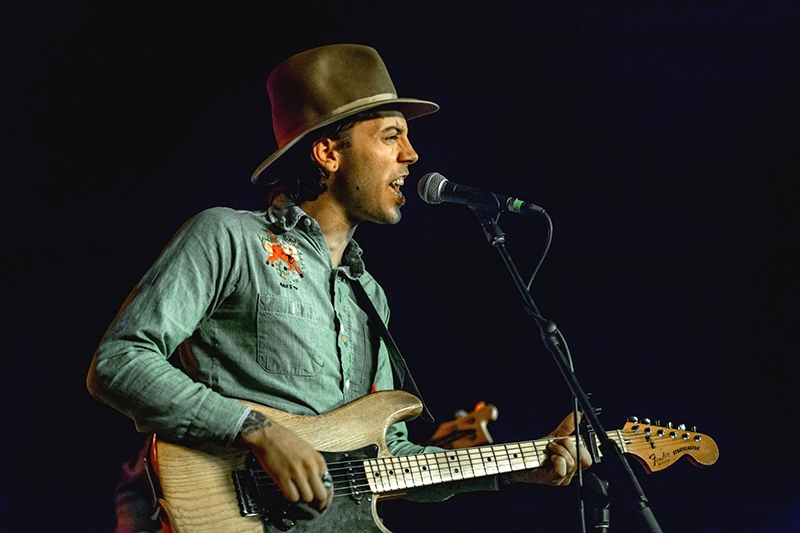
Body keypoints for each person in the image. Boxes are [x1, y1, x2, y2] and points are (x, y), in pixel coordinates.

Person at [87, 43, 591, 531]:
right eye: (392, 136)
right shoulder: (227, 237)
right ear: (328, 152)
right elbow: (120, 361)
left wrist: (516, 466)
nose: (412, 155)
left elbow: (389, 460)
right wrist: (257, 431)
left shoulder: (369, 297)